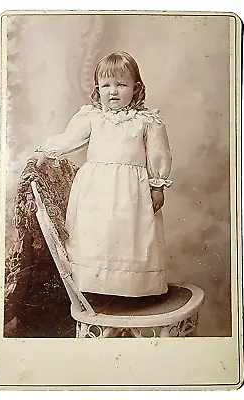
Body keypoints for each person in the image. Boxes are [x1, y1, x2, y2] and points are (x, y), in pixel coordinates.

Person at [34, 51, 172, 297]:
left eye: (121, 84)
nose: (114, 91)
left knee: (129, 235)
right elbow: (70, 139)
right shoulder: (92, 116)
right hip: (96, 190)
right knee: (97, 234)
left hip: (131, 193)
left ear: (136, 87)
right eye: (106, 85)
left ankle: (131, 289)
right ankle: (95, 287)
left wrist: (157, 185)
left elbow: (157, 154)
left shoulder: (146, 120)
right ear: (98, 88)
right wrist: (46, 150)